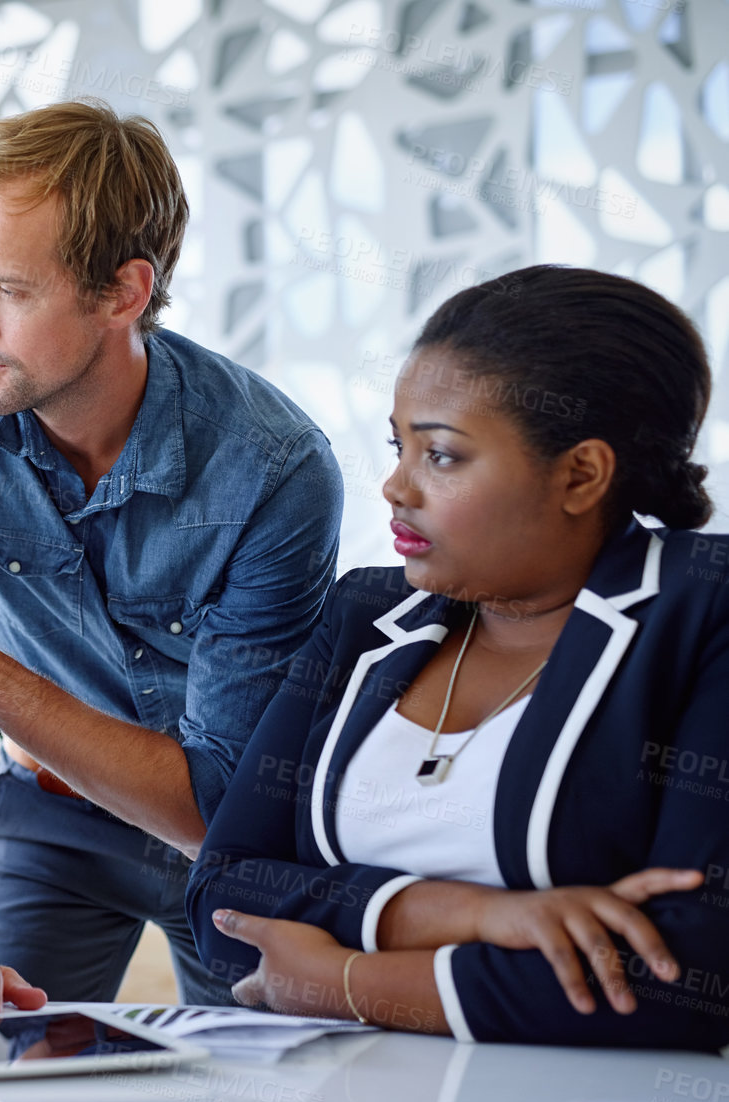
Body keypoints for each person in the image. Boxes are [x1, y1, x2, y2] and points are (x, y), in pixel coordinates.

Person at [0, 99, 343, 1016]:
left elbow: (216, 800)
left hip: (230, 840)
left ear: (123, 292)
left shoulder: (277, 470)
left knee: (261, 1101)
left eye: (9, 289)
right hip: (48, 809)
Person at [186, 265, 729, 1050]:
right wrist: (480, 914)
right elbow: (222, 896)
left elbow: (685, 973)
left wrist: (343, 982)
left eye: (440, 455)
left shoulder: (700, 610)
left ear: (580, 473)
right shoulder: (365, 614)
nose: (393, 486)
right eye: (397, 444)